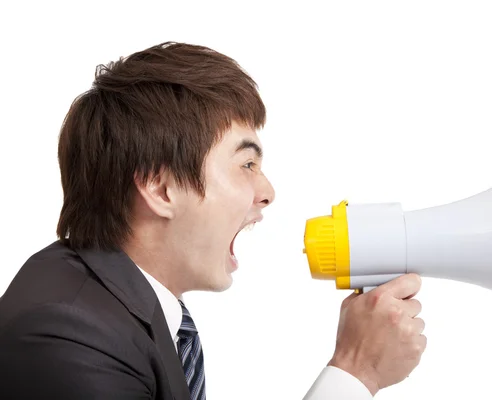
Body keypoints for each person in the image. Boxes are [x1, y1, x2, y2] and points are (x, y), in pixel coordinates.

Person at [0, 42, 426, 399]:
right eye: (245, 164)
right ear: (161, 188)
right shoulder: (66, 336)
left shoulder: (124, 309)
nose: (267, 191)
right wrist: (356, 372)